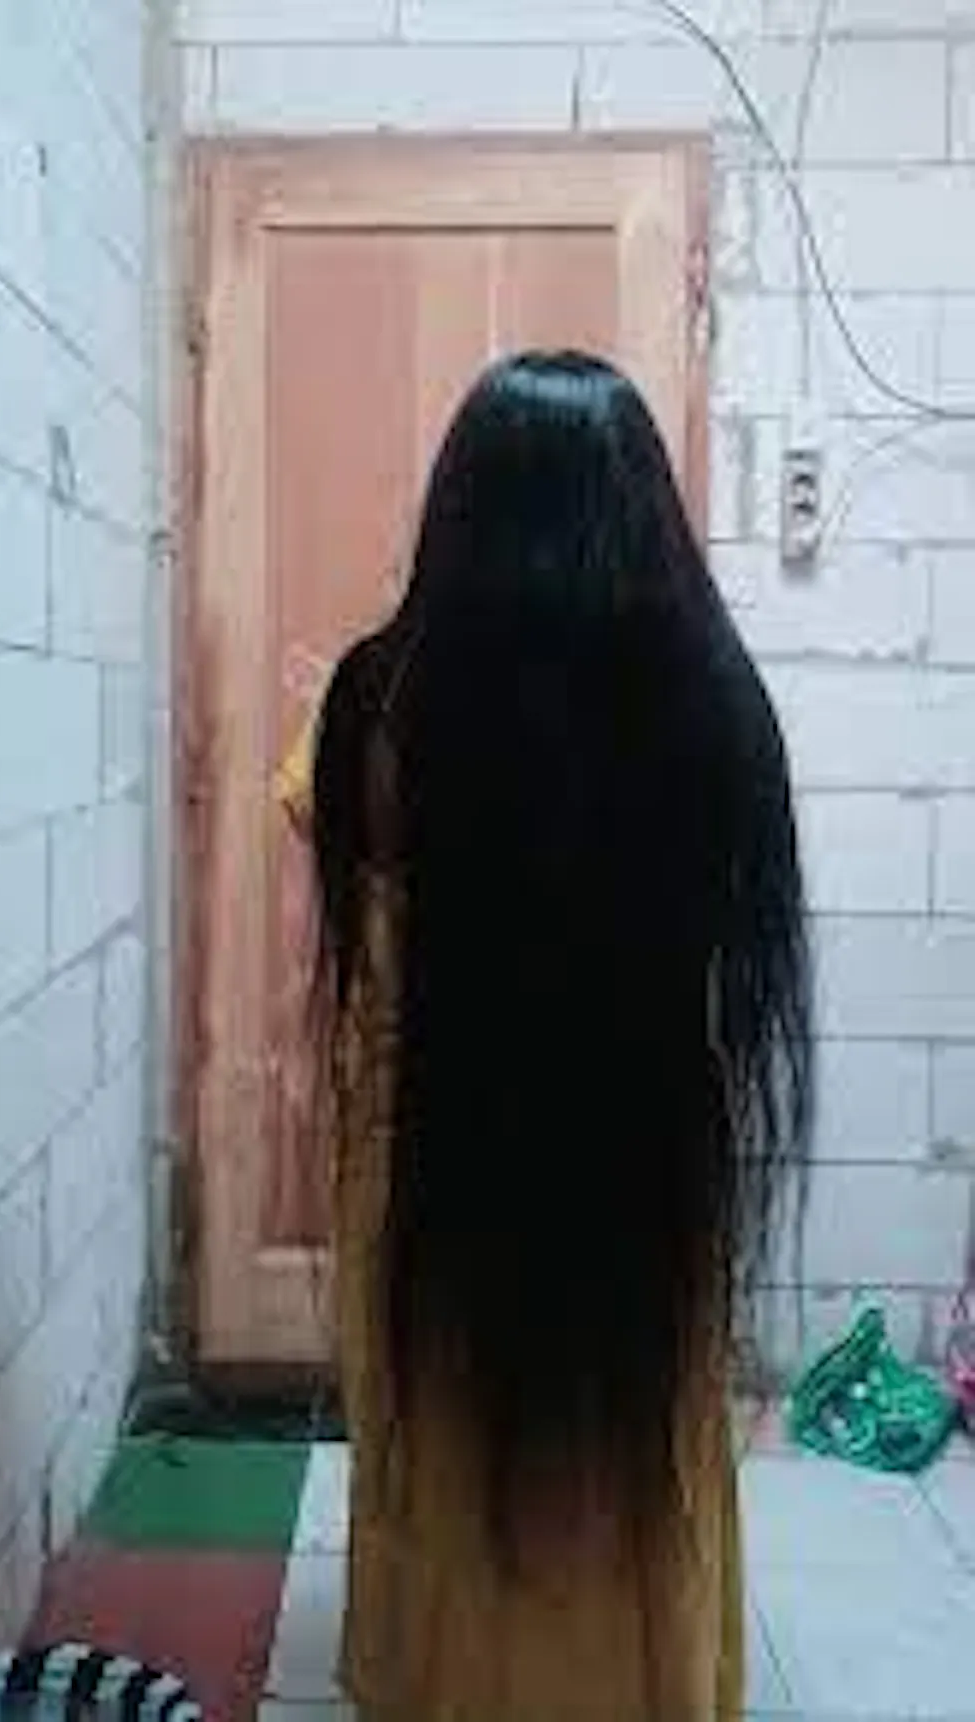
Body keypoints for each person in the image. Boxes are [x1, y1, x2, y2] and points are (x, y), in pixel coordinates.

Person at [277, 352, 813, 1722]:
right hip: (648, 1162)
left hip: (431, 1163)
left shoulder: (375, 706)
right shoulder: (714, 708)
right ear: (650, 522)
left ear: (459, 515)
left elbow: (323, 865)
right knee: (635, 1462)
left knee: (447, 1456)